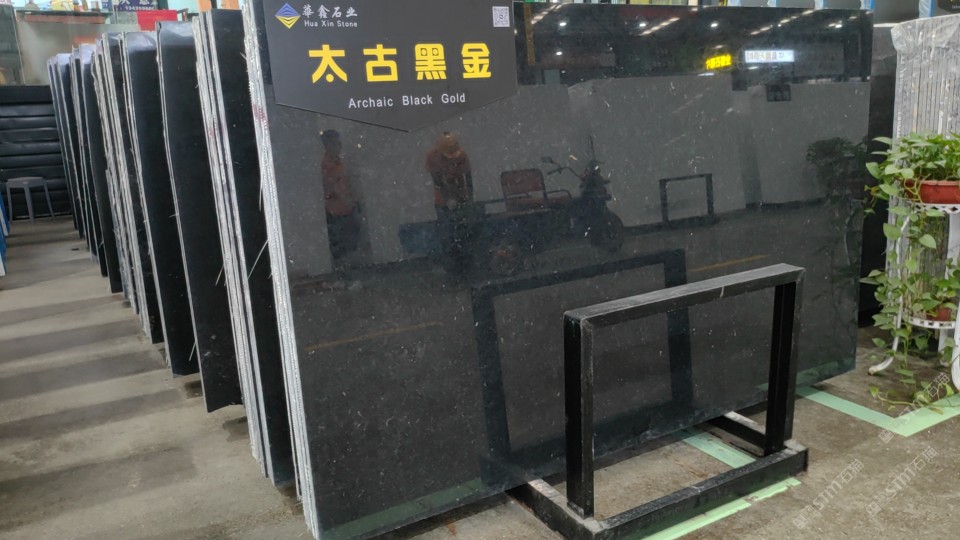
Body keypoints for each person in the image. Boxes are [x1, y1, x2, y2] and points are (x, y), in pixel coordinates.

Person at [321, 130, 360, 259]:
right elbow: (330, 188)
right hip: (334, 215)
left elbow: (346, 185)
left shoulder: (341, 164)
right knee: (339, 251)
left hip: (347, 211)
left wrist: (352, 202)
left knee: (351, 248)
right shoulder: (324, 166)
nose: (339, 146)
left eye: (339, 143)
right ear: (327, 145)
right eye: (335, 143)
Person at [425, 132, 473, 218]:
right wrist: (447, 199)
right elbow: (437, 181)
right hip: (442, 198)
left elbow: (468, 179)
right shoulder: (433, 157)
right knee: (445, 220)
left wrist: (470, 200)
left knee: (466, 218)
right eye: (449, 154)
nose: (452, 156)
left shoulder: (462, 156)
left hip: (461, 194)